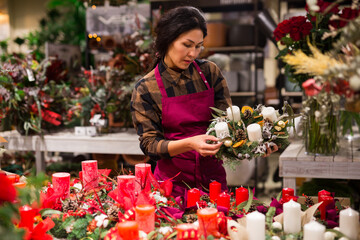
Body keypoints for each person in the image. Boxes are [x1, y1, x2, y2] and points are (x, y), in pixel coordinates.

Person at [130, 6, 232, 197]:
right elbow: (150, 145)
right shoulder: (146, 88)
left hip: (214, 183)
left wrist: (257, 141)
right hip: (171, 188)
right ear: (167, 40)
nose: (193, 53)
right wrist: (190, 144)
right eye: (187, 45)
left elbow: (227, 123)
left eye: (198, 45)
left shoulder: (209, 73)